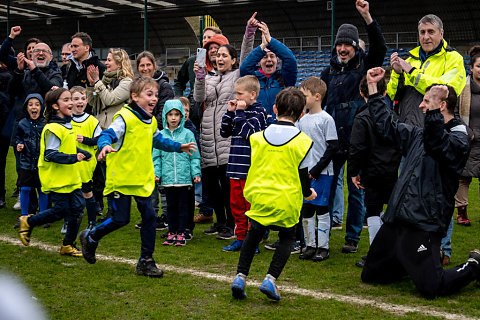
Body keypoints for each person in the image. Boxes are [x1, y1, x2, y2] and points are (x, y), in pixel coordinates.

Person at [361, 67, 480, 299]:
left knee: (431, 288)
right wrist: (374, 89)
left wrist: (434, 109)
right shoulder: (419, 134)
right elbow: (387, 125)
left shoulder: (459, 137)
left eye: (426, 101)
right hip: (397, 219)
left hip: (423, 223)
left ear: (441, 106)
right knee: (371, 275)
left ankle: (474, 266)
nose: (421, 106)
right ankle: (413, 262)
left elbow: (438, 143)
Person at [79, 77, 197, 277]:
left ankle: (146, 261)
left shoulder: (151, 121)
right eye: (149, 94)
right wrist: (104, 145)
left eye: (156, 95)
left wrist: (179, 146)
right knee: (120, 219)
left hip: (142, 180)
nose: (154, 99)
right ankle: (91, 236)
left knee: (150, 218)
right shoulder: (124, 118)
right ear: (134, 96)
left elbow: (158, 140)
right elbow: (108, 135)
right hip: (122, 180)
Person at [230, 87, 316, 301]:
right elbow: (303, 173)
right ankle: (270, 279)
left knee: (254, 234)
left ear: (275, 108)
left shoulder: (258, 137)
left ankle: (240, 277)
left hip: (259, 196)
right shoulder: (303, 141)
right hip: (286, 199)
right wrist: (307, 193)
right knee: (288, 236)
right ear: (301, 113)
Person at [320, 0, 387, 253]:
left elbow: (379, 45)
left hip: (360, 138)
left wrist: (367, 16)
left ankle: (352, 238)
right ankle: (322, 235)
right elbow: (318, 99)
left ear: (354, 45)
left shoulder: (365, 65)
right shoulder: (329, 71)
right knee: (327, 186)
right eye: (340, 44)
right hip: (334, 138)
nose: (343, 48)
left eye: (348, 44)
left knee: (357, 189)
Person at [17, 88, 91, 257]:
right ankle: (28, 221)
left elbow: (69, 145)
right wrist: (74, 158)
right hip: (58, 179)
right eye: (66, 100)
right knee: (61, 211)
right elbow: (51, 154)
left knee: (78, 209)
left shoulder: (67, 124)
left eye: (70, 99)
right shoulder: (52, 128)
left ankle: (67, 245)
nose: (71, 103)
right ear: (55, 106)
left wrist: (83, 153)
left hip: (71, 178)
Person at [348, 75, 401, 268]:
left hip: (373, 171)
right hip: (392, 170)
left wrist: (353, 171)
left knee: (373, 210)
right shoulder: (393, 116)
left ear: (362, 94)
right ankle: (388, 251)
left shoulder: (362, 118)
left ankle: (377, 253)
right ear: (384, 93)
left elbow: (357, 147)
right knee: (389, 211)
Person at [194, 44, 240, 240]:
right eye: (218, 55)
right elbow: (198, 97)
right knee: (212, 187)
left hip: (226, 139)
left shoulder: (238, 75)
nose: (219, 58)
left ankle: (231, 224)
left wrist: (248, 33)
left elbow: (246, 53)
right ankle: (220, 221)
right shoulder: (210, 77)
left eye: (224, 55)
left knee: (229, 187)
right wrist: (200, 78)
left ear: (233, 59)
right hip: (207, 139)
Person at [387, 14, 466, 128]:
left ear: (441, 34)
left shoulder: (454, 59)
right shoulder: (409, 60)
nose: (426, 37)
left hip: (436, 131)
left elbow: (447, 92)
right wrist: (397, 74)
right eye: (422, 32)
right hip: (406, 129)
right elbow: (392, 95)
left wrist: (413, 73)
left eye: (431, 32)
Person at [220, 75, 267, 252]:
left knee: (251, 208)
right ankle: (240, 238)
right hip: (234, 168)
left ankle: (253, 240)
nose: (237, 97)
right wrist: (229, 112)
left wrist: (239, 113)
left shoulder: (259, 112)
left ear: (252, 95)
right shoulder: (239, 111)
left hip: (250, 170)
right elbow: (224, 132)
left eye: (240, 94)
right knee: (237, 207)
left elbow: (248, 133)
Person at [297, 77, 338, 262]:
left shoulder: (326, 119)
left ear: (317, 96)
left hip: (322, 173)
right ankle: (309, 245)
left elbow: (332, 147)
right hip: (305, 173)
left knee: (321, 209)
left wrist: (317, 168)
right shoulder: (302, 121)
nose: (300, 98)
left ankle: (323, 247)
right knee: (306, 210)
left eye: (304, 95)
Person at [155, 99, 201, 247]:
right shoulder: (160, 136)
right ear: (165, 116)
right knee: (170, 207)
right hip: (168, 179)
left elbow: (194, 156)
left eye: (176, 114)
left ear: (182, 116)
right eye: (170, 114)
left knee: (183, 207)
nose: (173, 118)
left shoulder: (188, 134)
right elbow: (156, 157)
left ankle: (181, 232)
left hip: (184, 179)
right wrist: (157, 173)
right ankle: (172, 232)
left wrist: (196, 173)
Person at [240, 18, 297, 122]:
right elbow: (244, 67)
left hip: (279, 127)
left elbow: (291, 60)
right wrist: (262, 47)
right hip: (257, 129)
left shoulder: (285, 79)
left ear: (277, 59)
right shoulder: (253, 80)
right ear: (259, 61)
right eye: (265, 57)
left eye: (272, 56)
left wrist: (270, 41)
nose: (269, 59)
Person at [173, 26, 222, 127]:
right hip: (195, 113)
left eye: (209, 38)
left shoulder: (223, 63)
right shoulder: (192, 61)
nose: (205, 40)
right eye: (204, 38)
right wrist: (179, 99)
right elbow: (179, 82)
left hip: (215, 112)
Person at [454, 45, 480, 227]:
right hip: (468, 140)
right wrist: (467, 132)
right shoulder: (462, 87)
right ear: (471, 68)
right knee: (463, 177)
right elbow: (454, 113)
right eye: (479, 66)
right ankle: (461, 212)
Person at [70, 86, 101, 230]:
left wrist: (86, 140)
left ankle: (92, 221)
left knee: (87, 192)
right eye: (76, 99)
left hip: (87, 163)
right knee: (69, 192)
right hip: (69, 161)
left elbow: (100, 140)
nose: (79, 102)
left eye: (82, 99)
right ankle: (68, 220)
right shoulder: (66, 120)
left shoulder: (92, 120)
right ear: (70, 101)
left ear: (87, 101)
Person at [14, 94, 48, 220]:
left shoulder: (45, 123)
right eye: (30, 104)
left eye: (37, 104)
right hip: (26, 163)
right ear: (26, 107)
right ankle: (24, 216)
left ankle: (43, 216)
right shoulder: (22, 123)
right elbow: (18, 138)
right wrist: (19, 144)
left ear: (41, 107)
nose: (34, 107)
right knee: (25, 189)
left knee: (42, 190)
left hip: (41, 163)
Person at [86, 48, 133, 130]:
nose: (106, 63)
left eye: (109, 60)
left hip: (116, 130)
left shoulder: (127, 82)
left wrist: (97, 81)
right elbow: (92, 102)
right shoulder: (105, 81)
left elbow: (110, 100)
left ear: (119, 64)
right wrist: (91, 85)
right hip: (100, 128)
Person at [136, 51, 174, 130]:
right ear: (138, 68)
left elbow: (163, 115)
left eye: (148, 65)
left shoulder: (164, 87)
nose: (145, 68)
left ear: (154, 66)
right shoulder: (135, 87)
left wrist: (146, 127)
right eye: (142, 65)